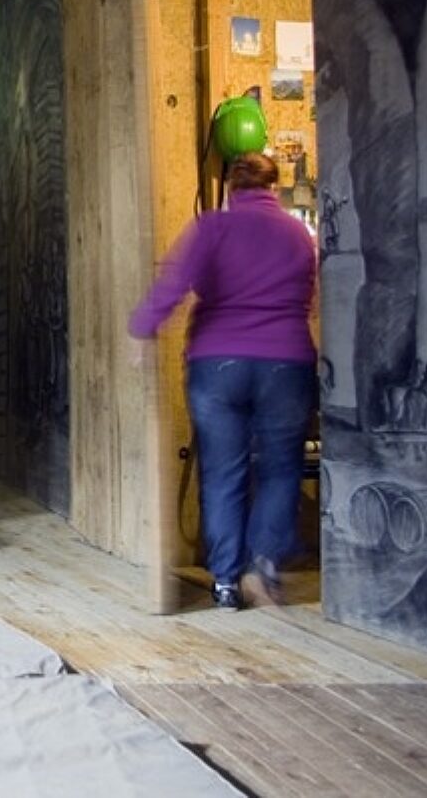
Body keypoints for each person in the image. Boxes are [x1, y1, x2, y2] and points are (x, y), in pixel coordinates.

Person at [129, 153, 318, 611]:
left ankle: (227, 582)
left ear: (232, 187)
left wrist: (142, 329)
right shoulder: (298, 234)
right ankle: (263, 565)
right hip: (285, 360)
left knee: (222, 471)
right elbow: (310, 293)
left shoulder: (212, 227)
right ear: (274, 187)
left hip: (218, 363)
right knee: (280, 468)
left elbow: (174, 283)